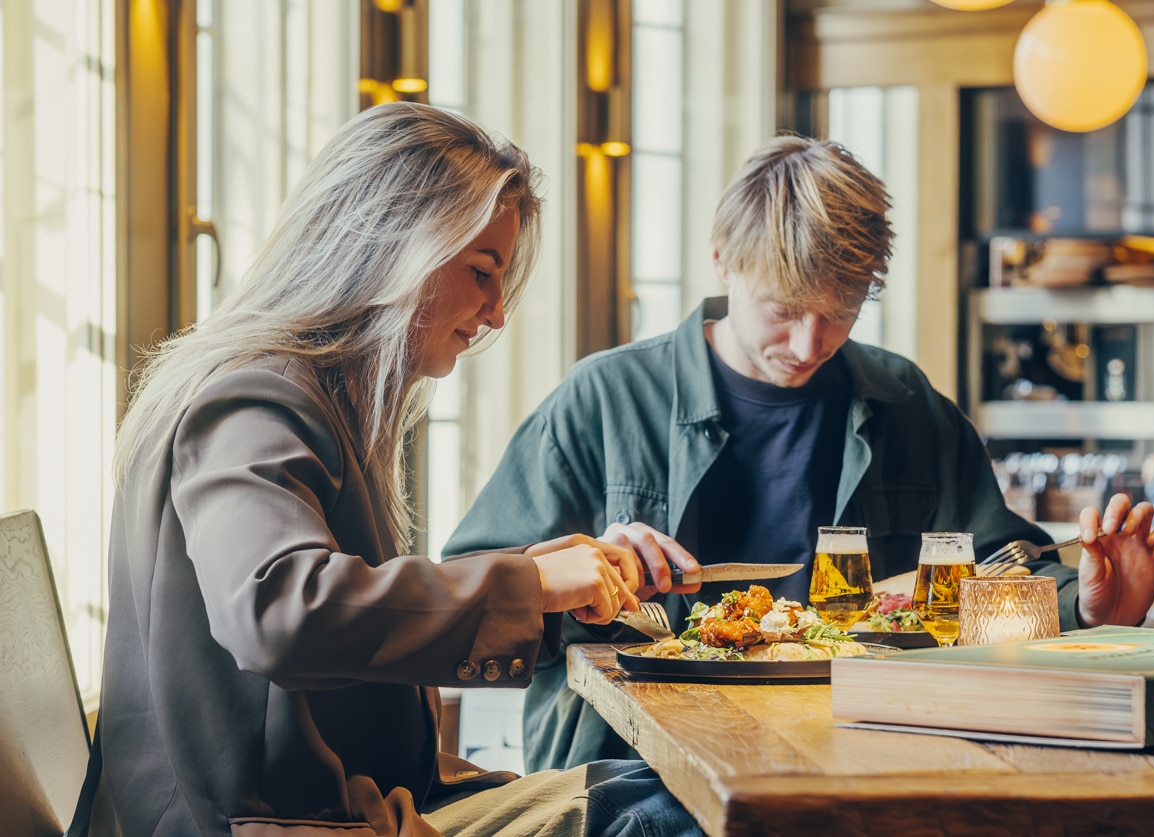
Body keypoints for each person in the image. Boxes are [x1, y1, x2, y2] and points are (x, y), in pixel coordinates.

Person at [442, 133, 1154, 772]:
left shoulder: (906, 404)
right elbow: (462, 608)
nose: (808, 345)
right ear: (724, 260)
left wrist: (1084, 603)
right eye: (784, 309)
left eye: (840, 313)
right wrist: (578, 579)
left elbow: (997, 571)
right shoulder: (603, 399)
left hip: (868, 764)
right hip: (633, 777)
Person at [79, 102, 703, 837]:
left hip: (358, 800)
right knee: (681, 812)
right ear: (391, 247)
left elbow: (337, 611)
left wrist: (543, 584)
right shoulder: (257, 396)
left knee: (671, 793)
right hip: (277, 824)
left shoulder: (303, 391)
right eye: (481, 271)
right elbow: (280, 611)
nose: (496, 313)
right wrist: (526, 584)